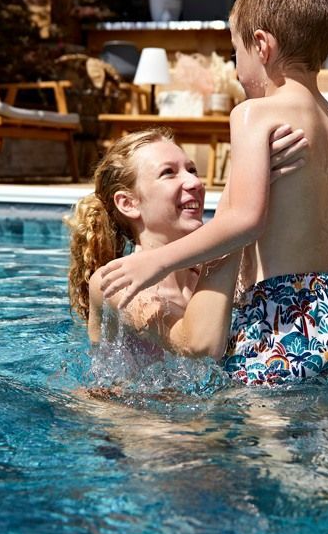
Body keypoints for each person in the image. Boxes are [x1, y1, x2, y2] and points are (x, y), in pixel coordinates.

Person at [95, 0, 328, 387]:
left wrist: (156, 260)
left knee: (270, 436)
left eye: (234, 54)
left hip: (280, 312)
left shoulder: (253, 114)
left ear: (261, 45)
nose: (237, 70)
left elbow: (244, 221)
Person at [66, 125, 307, 366]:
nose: (194, 182)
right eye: (169, 173)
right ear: (128, 203)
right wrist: (235, 216)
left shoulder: (203, 274)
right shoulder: (114, 282)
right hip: (120, 405)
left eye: (192, 170)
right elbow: (198, 345)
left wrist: (261, 179)